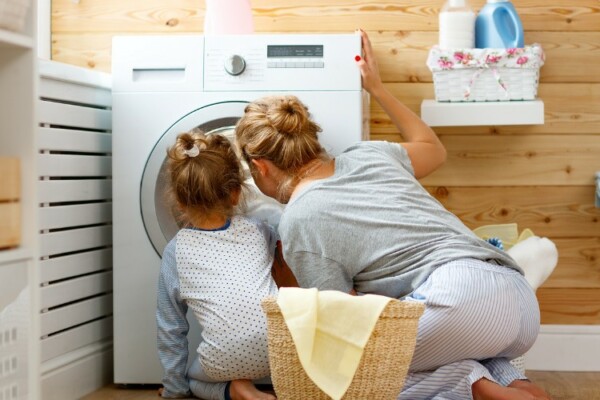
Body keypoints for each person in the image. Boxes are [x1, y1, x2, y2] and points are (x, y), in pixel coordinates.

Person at [234, 30, 551, 400]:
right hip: (519, 301)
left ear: (261, 167)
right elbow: (434, 149)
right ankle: (513, 384)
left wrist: (288, 280)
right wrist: (378, 89)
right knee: (429, 340)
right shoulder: (370, 154)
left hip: (458, 301)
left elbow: (345, 320)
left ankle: (471, 384)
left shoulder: (300, 217)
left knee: (342, 374)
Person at [156, 130, 278, 400]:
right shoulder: (259, 230)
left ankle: (237, 391)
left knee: (191, 380)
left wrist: (174, 389)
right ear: (235, 193)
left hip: (222, 358)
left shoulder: (176, 250)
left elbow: (171, 326)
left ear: (178, 200)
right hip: (278, 351)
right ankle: (247, 384)